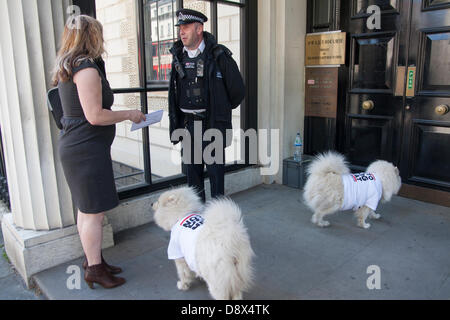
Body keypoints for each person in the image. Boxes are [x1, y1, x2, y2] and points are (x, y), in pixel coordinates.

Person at [52, 15, 146, 289]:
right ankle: (94, 269)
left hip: (80, 147)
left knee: (87, 210)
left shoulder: (70, 66)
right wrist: (129, 113)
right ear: (91, 37)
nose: (101, 40)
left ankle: (94, 261)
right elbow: (94, 115)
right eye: (98, 35)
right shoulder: (86, 69)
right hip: (85, 150)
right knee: (94, 213)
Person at [168, 9, 245, 203]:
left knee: (216, 180)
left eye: (186, 28)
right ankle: (198, 224)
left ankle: (217, 224)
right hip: (189, 127)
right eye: (180, 28)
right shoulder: (178, 55)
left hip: (212, 125)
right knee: (193, 181)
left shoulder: (219, 56)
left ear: (199, 29)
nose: (181, 32)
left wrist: (220, 110)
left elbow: (238, 92)